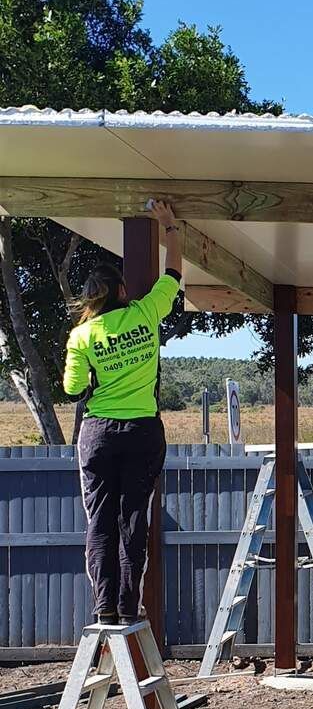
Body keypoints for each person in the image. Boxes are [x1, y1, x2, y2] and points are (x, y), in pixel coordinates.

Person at [62, 200, 184, 626]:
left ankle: (105, 606)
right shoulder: (145, 313)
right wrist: (169, 227)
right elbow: (173, 275)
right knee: (134, 519)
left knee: (100, 522)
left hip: (98, 434)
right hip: (143, 432)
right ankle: (130, 605)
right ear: (122, 292)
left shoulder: (82, 335)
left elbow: (73, 388)